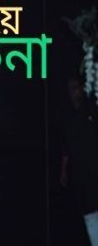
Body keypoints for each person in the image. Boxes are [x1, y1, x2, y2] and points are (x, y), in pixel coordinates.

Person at [60, 77, 98, 245]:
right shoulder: (67, 118)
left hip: (94, 167)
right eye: (71, 88)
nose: (74, 91)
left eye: (76, 87)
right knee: (88, 212)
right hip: (80, 172)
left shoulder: (91, 111)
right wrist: (63, 170)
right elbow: (66, 146)